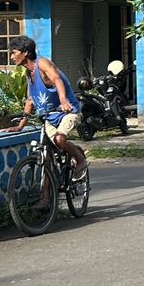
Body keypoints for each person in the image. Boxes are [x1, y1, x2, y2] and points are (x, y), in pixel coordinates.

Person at [9, 34, 88, 179]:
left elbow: (57, 79)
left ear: (25, 52)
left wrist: (63, 101)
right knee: (49, 155)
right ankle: (47, 197)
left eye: (14, 53)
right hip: (50, 117)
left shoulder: (42, 64)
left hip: (69, 112)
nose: (11, 57)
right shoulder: (28, 73)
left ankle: (80, 159)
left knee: (59, 139)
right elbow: (30, 101)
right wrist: (20, 125)